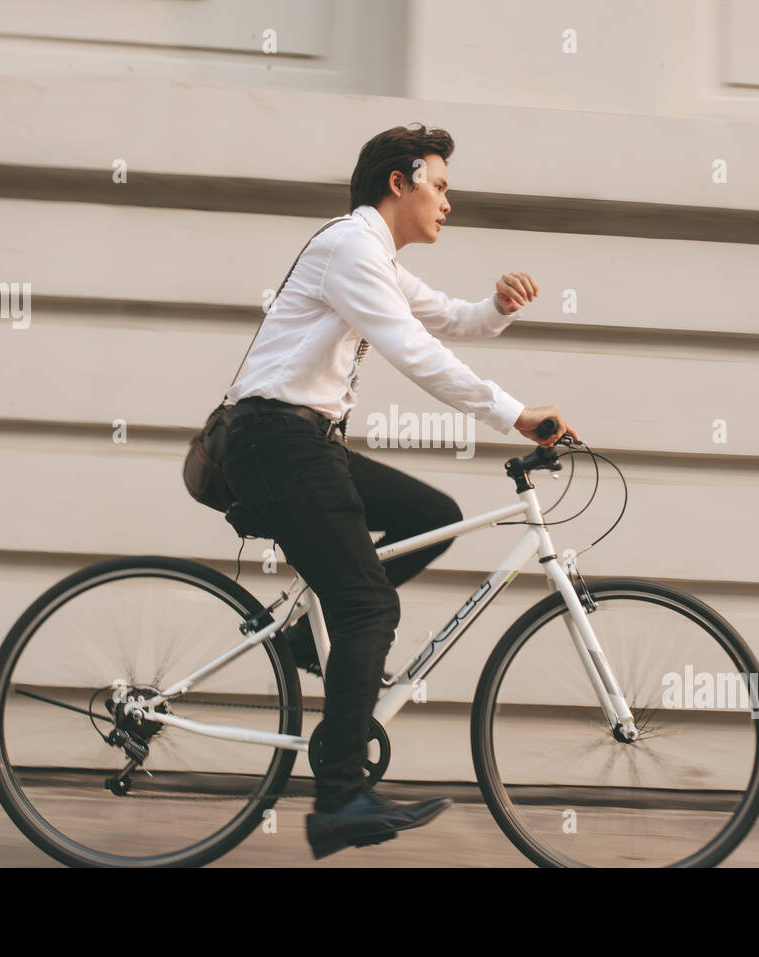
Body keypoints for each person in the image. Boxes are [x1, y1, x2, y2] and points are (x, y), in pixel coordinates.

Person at [221, 123, 579, 860]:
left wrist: (501, 304)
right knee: (367, 604)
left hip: (302, 441)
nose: (448, 202)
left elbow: (451, 319)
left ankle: (298, 643)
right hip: (273, 440)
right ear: (399, 181)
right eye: (440, 186)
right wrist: (515, 413)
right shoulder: (352, 247)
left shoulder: (375, 256)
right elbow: (413, 350)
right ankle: (341, 796)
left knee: (432, 515)